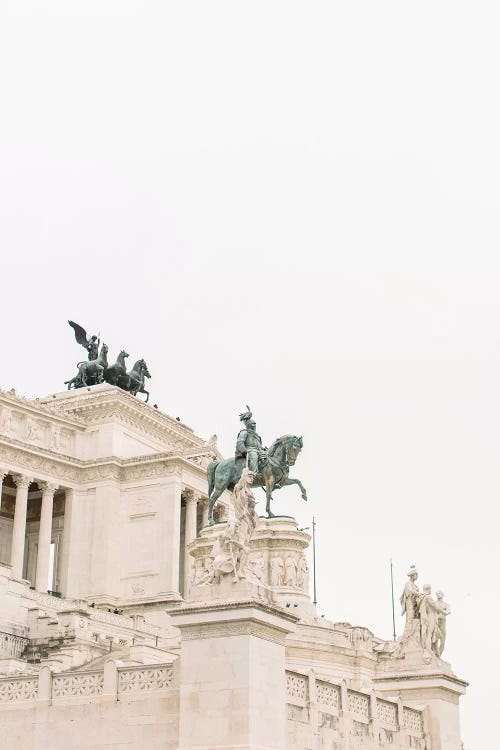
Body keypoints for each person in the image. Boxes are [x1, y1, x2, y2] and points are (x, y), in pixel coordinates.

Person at [235, 407, 267, 474]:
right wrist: (244, 451)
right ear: (248, 424)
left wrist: (264, 449)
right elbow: (240, 442)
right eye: (253, 423)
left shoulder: (258, 436)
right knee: (254, 456)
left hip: (258, 451)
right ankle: (252, 474)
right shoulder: (244, 432)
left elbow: (259, 446)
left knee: (268, 457)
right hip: (249, 450)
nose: (254, 425)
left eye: (255, 423)